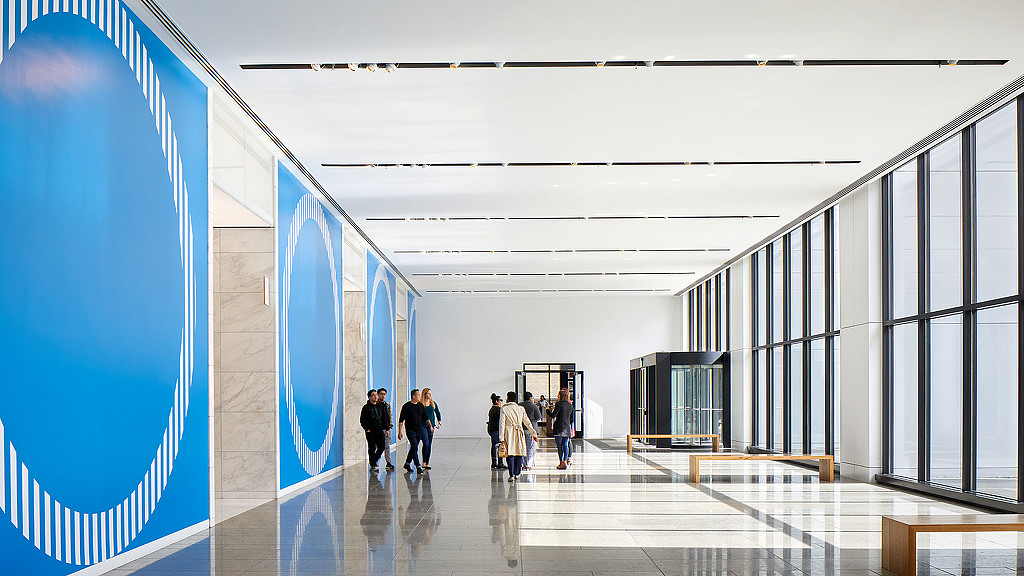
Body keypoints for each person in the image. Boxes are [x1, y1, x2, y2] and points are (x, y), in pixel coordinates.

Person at [499, 391, 537, 482]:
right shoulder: (521, 409)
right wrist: (533, 433)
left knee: (510, 453)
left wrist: (501, 438)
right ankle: (518, 473)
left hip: (509, 433)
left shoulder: (504, 409)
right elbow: (527, 422)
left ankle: (511, 474)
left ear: (508, 399)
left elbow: (502, 425)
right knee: (519, 452)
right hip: (519, 432)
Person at [398, 389, 432, 473]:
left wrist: (430, 426)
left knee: (414, 447)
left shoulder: (420, 405)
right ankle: (418, 466)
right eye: (418, 395)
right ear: (414, 396)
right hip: (410, 430)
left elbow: (425, 417)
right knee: (414, 446)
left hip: (418, 430)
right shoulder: (406, 406)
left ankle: (407, 463)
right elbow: (401, 420)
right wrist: (400, 432)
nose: (420, 397)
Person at [360, 389, 388, 471]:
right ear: (369, 397)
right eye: (374, 395)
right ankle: (373, 464)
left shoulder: (381, 406)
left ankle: (373, 461)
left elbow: (384, 418)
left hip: (379, 430)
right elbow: (362, 420)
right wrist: (367, 429)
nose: (376, 397)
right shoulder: (366, 408)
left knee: (382, 446)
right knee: (372, 447)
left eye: (376, 395)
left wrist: (386, 429)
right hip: (370, 431)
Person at [551, 388, 574, 470]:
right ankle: (565, 461)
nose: (557, 396)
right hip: (567, 428)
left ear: (561, 396)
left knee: (559, 446)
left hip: (559, 428)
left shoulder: (558, 404)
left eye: (558, 395)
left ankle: (561, 462)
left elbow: (553, 415)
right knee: (565, 445)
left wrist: (547, 410)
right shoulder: (570, 405)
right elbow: (571, 419)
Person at [519, 392, 542, 470]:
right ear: (530, 398)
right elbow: (539, 417)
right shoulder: (534, 406)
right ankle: (528, 464)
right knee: (530, 447)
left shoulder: (519, 405)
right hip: (531, 429)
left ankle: (522, 463)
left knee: (522, 446)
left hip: (521, 428)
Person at [420, 387, 441, 469]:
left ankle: (426, 462)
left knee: (429, 444)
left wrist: (439, 421)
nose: (430, 395)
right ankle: (424, 462)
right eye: (428, 393)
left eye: (430, 394)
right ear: (424, 394)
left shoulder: (433, 403)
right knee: (426, 443)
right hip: (422, 426)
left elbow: (438, 413)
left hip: (431, 426)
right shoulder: (421, 404)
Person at [377, 388, 395, 470]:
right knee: (377, 446)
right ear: (378, 395)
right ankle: (374, 462)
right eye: (381, 394)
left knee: (387, 446)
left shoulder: (387, 405)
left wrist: (390, 426)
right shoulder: (375, 405)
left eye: (384, 394)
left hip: (387, 428)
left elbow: (389, 416)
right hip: (378, 429)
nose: (383, 396)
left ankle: (388, 462)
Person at [487, 394, 506, 469]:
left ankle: (494, 463)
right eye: (501, 400)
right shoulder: (498, 410)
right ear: (497, 401)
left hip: (491, 430)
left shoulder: (491, 409)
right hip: (496, 430)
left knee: (494, 446)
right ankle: (500, 462)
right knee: (500, 445)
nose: (502, 402)